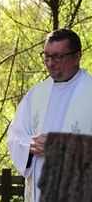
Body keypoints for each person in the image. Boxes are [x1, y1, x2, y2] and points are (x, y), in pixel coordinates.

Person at [6, 28, 92, 202]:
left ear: (77, 57)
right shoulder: (35, 94)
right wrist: (29, 145)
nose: (50, 63)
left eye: (58, 56)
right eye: (46, 56)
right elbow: (15, 136)